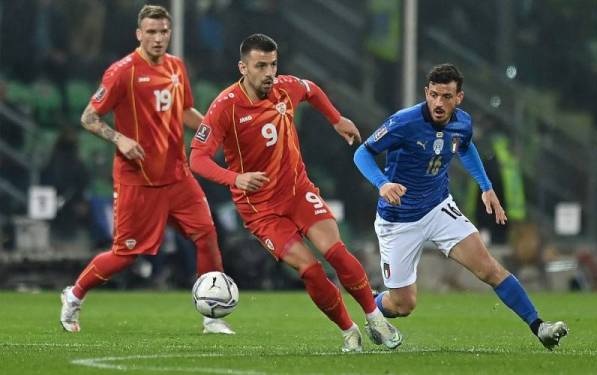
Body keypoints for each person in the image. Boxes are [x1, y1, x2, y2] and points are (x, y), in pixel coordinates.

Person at [189, 33, 401, 352]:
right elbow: (197, 159)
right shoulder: (225, 106)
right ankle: (349, 331)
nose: (269, 72)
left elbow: (311, 90)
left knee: (337, 253)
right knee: (310, 270)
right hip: (261, 210)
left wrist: (336, 118)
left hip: (297, 191)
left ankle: (375, 318)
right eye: (260, 66)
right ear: (243, 67)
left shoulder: (285, 87)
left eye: (273, 64)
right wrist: (236, 178)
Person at [353, 63, 568, 350]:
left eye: (447, 96)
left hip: (439, 208)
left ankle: (539, 326)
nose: (439, 103)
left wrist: (486, 186)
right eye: (434, 95)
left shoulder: (463, 122)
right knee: (403, 304)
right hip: (398, 218)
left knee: (489, 269)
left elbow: (464, 146)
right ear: (426, 93)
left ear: (459, 98)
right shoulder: (404, 122)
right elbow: (362, 152)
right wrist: (382, 183)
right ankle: (373, 305)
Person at [60, 5, 233, 335]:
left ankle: (211, 316)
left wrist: (216, 133)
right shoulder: (122, 71)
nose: (158, 38)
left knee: (207, 237)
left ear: (170, 33)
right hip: (138, 179)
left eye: (163, 31)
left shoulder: (177, 67)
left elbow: (183, 111)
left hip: (178, 175)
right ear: (139, 34)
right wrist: (119, 138)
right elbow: (88, 117)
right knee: (126, 255)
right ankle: (75, 293)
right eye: (151, 32)